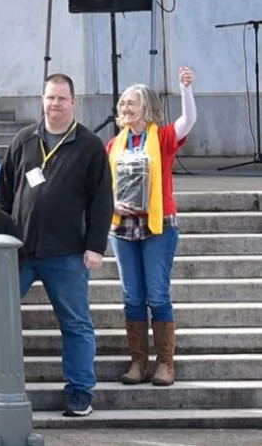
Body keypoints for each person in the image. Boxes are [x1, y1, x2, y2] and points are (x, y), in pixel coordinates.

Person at [0, 73, 112, 417]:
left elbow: (102, 200)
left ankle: (79, 392)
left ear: (73, 102)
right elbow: (4, 193)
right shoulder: (24, 139)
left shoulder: (89, 145)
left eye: (62, 98)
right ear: (42, 100)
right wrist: (0, 238)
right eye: (50, 97)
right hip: (19, 251)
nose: (55, 104)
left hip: (67, 252)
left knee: (75, 324)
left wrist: (95, 246)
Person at [109, 66, 198, 387]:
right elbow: (102, 185)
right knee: (132, 296)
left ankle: (165, 363)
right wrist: (111, 204)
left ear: (146, 108)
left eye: (131, 103)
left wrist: (185, 89)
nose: (125, 107)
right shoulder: (113, 144)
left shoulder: (161, 137)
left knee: (157, 294)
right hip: (123, 227)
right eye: (122, 103)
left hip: (158, 225)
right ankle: (138, 363)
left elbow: (188, 121)